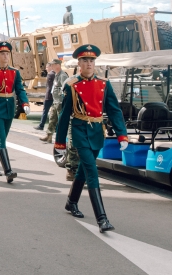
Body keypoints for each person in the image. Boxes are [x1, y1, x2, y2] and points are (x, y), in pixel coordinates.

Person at [55, 44, 128, 233]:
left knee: (83, 169)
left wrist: (122, 134)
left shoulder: (104, 84)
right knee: (92, 171)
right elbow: (64, 115)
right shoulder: (72, 85)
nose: (89, 63)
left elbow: (114, 110)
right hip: (79, 130)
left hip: (96, 131)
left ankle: (71, 202)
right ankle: (102, 219)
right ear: (79, 63)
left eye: (91, 60)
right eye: (85, 60)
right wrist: (60, 142)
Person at [0, 41, 30, 182]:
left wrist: (25, 103)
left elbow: (20, 89)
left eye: (7, 54)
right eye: (2, 54)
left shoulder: (14, 72)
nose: (5, 56)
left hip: (9, 109)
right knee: (1, 139)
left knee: (1, 139)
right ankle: (8, 171)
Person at [36, 63, 55, 131]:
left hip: (49, 96)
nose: (46, 69)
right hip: (54, 96)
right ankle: (55, 127)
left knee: (45, 111)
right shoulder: (55, 74)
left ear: (50, 67)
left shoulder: (50, 74)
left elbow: (49, 87)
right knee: (54, 112)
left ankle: (41, 125)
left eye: (47, 67)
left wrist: (48, 95)